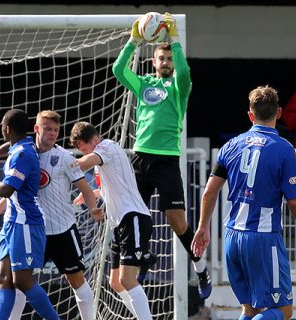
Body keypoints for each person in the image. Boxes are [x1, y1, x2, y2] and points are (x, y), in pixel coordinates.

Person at [192, 86, 296, 320]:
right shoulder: (283, 149)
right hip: (263, 238)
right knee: (282, 310)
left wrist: (202, 227)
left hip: (232, 236)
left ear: (250, 115)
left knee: (250, 309)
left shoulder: (231, 145)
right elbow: (295, 202)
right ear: (279, 112)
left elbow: (209, 192)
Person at [112, 12, 212, 299]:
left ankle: (200, 266)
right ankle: (143, 257)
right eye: (161, 58)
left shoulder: (178, 87)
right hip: (140, 157)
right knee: (133, 213)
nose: (166, 63)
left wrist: (175, 40)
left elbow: (184, 73)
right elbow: (119, 71)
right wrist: (133, 41)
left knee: (176, 219)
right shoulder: (143, 83)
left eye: (169, 59)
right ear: (153, 61)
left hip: (166, 159)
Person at [0, 110, 103, 320]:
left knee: (76, 281)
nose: (52, 133)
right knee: (18, 281)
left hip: (61, 229)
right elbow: (16, 187)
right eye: (47, 129)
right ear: (36, 129)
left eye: (56, 130)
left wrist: (92, 209)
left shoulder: (64, 158)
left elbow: (86, 189)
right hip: (34, 230)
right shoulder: (28, 149)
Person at [0, 109, 60, 320]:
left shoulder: (23, 154)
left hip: (26, 223)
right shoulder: (23, 144)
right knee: (4, 278)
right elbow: (10, 145)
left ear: (7, 129)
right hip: (11, 222)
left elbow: (6, 190)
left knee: (22, 280)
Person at [70, 121, 153, 320]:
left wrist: (60, 163)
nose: (83, 154)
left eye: (83, 149)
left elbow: (84, 163)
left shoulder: (107, 146)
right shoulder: (102, 161)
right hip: (119, 224)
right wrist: (91, 194)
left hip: (133, 217)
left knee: (127, 279)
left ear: (95, 140)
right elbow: (110, 186)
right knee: (115, 282)